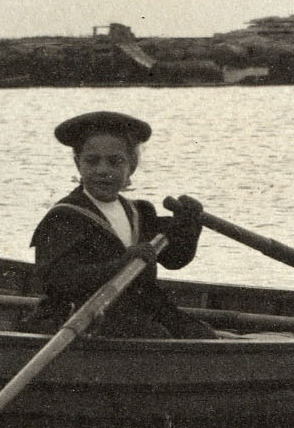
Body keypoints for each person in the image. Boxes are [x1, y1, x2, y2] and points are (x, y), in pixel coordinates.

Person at [27, 110, 217, 339]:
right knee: (156, 336)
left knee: (202, 334)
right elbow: (57, 282)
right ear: (78, 164)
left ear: (131, 166)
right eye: (92, 161)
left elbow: (175, 259)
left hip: (140, 311)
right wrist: (120, 264)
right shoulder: (64, 217)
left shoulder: (140, 212)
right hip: (80, 319)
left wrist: (189, 224)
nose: (103, 170)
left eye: (115, 162)